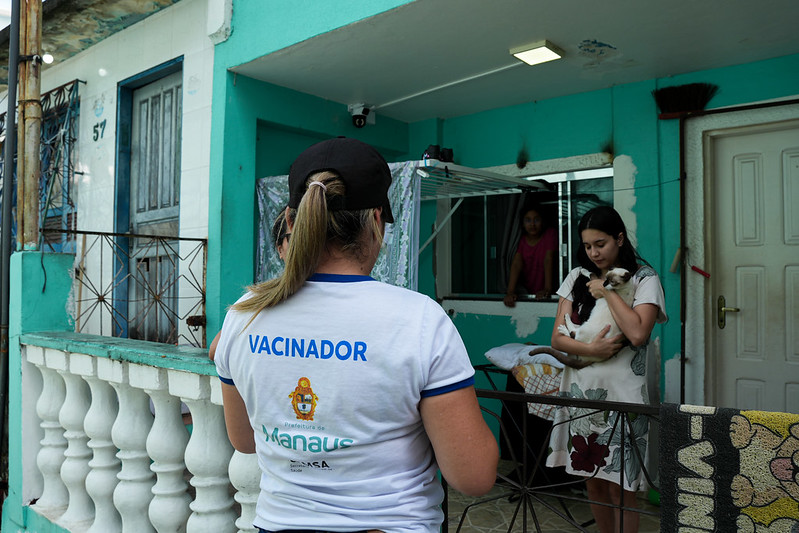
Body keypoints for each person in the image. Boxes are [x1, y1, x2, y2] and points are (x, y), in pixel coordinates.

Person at [213, 137, 498, 532]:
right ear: (377, 222)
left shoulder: (243, 316)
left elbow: (244, 440)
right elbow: (474, 476)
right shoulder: (418, 320)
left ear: (292, 222)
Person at [545, 205, 667, 533]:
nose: (594, 252)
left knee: (623, 485)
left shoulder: (645, 278)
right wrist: (591, 349)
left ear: (620, 239)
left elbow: (639, 333)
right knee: (593, 479)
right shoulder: (576, 277)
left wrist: (607, 291)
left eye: (601, 244)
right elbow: (557, 337)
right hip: (582, 392)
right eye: (587, 246)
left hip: (624, 394)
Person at [503, 205, 557, 306]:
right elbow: (516, 264)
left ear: (543, 221)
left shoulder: (550, 234)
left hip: (549, 292)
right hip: (526, 292)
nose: (532, 224)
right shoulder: (520, 239)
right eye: (528, 220)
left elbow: (548, 259)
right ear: (522, 223)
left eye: (536, 220)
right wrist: (510, 292)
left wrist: (547, 289)